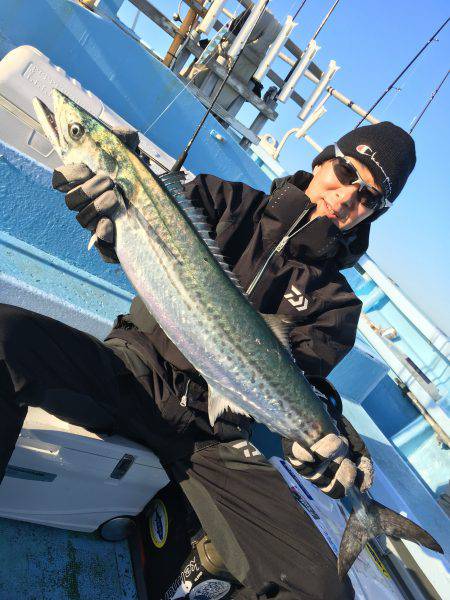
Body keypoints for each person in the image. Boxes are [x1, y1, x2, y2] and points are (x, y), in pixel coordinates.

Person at [0, 121, 416, 599]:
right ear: (323, 160)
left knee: (323, 591)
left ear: (372, 214)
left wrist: (332, 436)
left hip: (213, 438)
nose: (345, 196)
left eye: (366, 197)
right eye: (345, 171)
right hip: (133, 373)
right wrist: (115, 198)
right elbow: (142, 227)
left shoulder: (337, 306)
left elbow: (303, 379)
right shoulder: (226, 200)